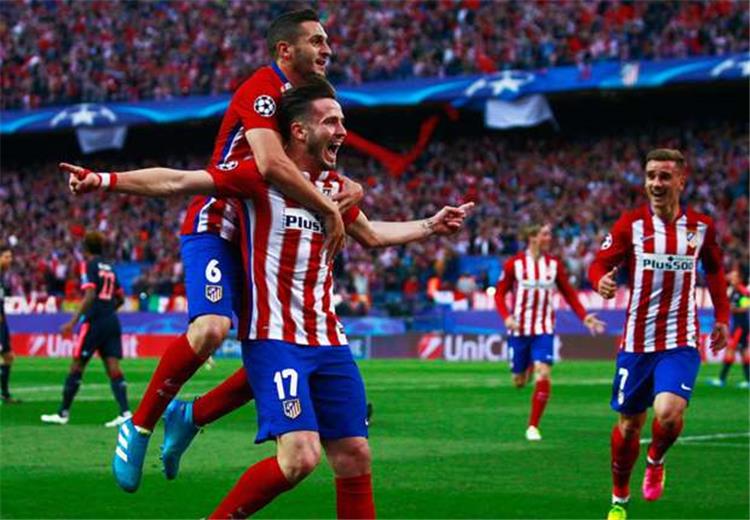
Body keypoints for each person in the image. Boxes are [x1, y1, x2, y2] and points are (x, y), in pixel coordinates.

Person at [65, 76, 472, 518]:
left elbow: (372, 234)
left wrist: (430, 225)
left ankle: (190, 417)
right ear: (298, 130)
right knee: (300, 457)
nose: (341, 131)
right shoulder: (258, 178)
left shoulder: (334, 189)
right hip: (275, 339)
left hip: (329, 342)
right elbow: (178, 180)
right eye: (330, 122)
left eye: (342, 121)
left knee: (355, 454)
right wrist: (103, 179)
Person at [65, 9, 360, 493]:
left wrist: (353, 188)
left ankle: (191, 415)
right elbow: (268, 163)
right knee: (211, 328)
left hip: (263, 232)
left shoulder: (309, 105)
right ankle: (139, 426)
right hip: (219, 221)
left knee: (279, 342)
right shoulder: (263, 89)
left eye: (327, 41)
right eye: (317, 41)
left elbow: (314, 166)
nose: (327, 49)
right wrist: (104, 179)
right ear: (285, 50)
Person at [588, 149, 730, 520]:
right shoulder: (630, 225)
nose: (656, 183)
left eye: (665, 176)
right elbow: (599, 263)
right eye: (651, 175)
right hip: (637, 342)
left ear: (681, 181)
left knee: (668, 413)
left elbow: (715, 271)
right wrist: (600, 281)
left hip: (681, 339)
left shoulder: (700, 227)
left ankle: (656, 459)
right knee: (629, 425)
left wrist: (722, 317)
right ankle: (620, 496)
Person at [494, 223, 605, 441]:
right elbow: (499, 294)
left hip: (543, 328)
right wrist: (506, 317)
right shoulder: (514, 264)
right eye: (545, 234)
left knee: (543, 373)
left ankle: (533, 426)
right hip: (519, 329)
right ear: (532, 237)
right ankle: (527, 365)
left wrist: (584, 316)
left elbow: (569, 293)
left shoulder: (554, 265)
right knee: (519, 381)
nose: (549, 238)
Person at [41, 232, 131, 426]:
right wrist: (108, 311)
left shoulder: (88, 265)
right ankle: (125, 412)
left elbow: (90, 295)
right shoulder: (110, 267)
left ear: (85, 248)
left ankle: (63, 413)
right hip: (111, 320)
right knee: (113, 366)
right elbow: (121, 298)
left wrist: (72, 322)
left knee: (77, 365)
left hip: (94, 322)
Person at [709, 267, 750, 388]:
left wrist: (732, 309)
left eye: (734, 276)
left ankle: (721, 379)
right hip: (738, 325)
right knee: (743, 352)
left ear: (740, 279)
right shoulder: (734, 290)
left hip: (740, 326)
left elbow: (746, 307)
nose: (732, 277)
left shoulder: (742, 291)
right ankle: (748, 381)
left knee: (730, 350)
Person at [0, 245, 20, 404]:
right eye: (6, 257)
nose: (10, 260)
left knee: (8, 356)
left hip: (2, 321)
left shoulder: (2, 278)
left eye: (10, 257)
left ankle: (5, 394)